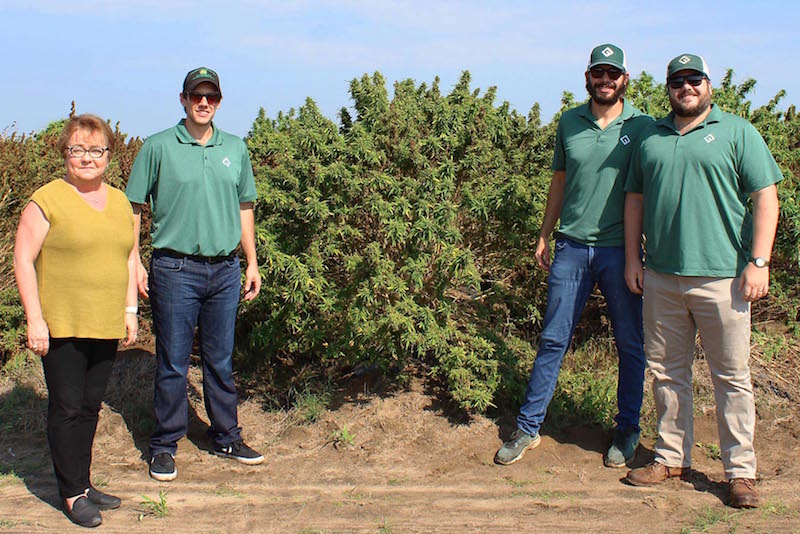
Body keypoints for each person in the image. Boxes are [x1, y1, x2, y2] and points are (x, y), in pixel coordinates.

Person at [623, 54, 782, 508]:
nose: (686, 87)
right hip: (661, 278)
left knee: (731, 378)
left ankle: (741, 473)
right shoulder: (650, 138)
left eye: (695, 79)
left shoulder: (738, 132)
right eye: (678, 81)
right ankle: (672, 458)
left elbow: (766, 197)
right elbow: (634, 199)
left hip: (725, 280)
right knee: (667, 373)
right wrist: (634, 258)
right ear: (668, 88)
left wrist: (759, 261)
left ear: (708, 84)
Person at [495, 44, 651, 467]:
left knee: (630, 343)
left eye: (612, 73)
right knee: (552, 339)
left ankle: (627, 429)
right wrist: (545, 233)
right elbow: (560, 181)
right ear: (587, 78)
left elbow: (652, 189)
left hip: (620, 250)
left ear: (625, 78)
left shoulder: (644, 126)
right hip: (572, 246)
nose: (605, 80)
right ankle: (528, 428)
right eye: (598, 73)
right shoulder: (569, 121)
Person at [126, 67, 263, 482]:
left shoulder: (236, 148)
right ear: (183, 99)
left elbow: (245, 208)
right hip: (175, 269)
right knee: (172, 362)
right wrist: (133, 259)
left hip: (225, 270)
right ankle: (165, 445)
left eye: (212, 97)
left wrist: (251, 260)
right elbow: (134, 206)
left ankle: (226, 436)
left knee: (220, 360)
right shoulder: (158, 147)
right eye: (196, 95)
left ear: (219, 101)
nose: (204, 103)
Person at [14, 114, 138, 528]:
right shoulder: (46, 200)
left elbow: (127, 257)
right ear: (65, 153)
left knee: (89, 408)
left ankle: (83, 484)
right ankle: (70, 494)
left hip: (104, 322)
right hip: (62, 323)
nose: (88, 158)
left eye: (96, 149)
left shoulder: (121, 202)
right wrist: (35, 319)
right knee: (67, 408)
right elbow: (24, 260)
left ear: (109, 155)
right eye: (78, 149)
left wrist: (129, 311)